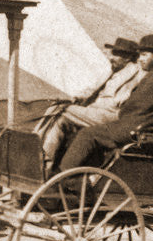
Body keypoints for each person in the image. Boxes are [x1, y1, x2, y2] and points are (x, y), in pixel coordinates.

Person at [57, 33, 153, 173]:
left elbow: (137, 106)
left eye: (144, 55)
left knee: (88, 134)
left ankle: (67, 177)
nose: (140, 59)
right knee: (90, 131)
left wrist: (123, 111)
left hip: (139, 127)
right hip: (138, 124)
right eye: (139, 55)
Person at [37, 37, 141, 170]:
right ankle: (44, 161)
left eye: (116, 54)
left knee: (60, 109)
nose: (111, 57)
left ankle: (35, 143)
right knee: (60, 120)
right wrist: (76, 97)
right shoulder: (113, 70)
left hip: (110, 115)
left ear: (127, 58)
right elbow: (92, 89)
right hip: (94, 112)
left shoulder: (136, 72)